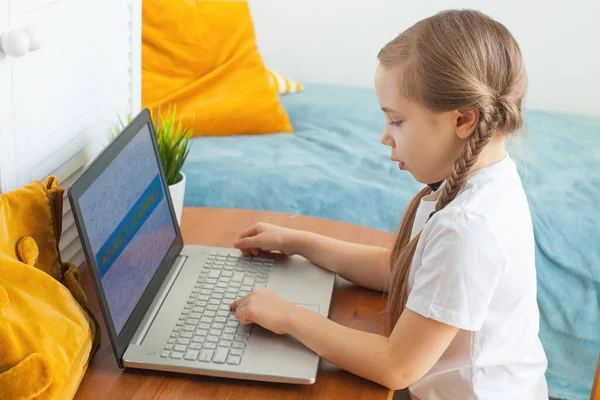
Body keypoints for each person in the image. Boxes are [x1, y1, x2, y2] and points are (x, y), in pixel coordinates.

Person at [230, 9, 548, 399]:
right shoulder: (484, 181)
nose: (385, 136)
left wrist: (288, 316)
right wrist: (300, 242)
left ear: (463, 120)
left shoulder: (469, 228)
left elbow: (396, 365)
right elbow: (405, 269)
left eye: (396, 121)